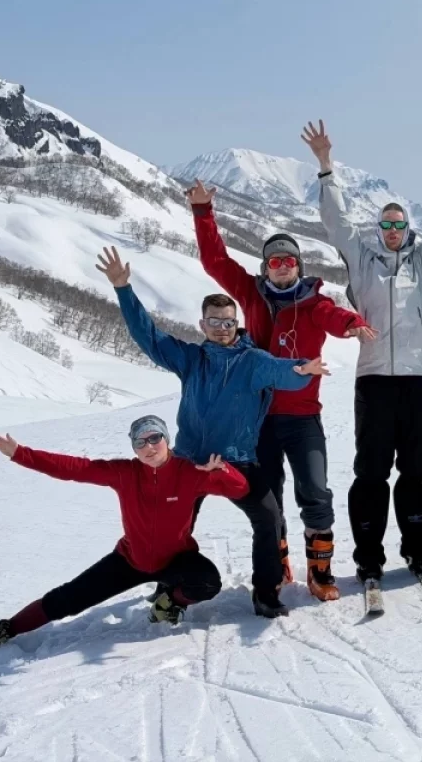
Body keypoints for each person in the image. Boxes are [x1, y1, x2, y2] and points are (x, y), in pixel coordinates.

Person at [96, 247, 327, 618]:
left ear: (238, 324)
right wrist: (124, 289)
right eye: (215, 322)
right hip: (188, 462)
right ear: (203, 325)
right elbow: (150, 338)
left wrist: (302, 370)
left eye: (228, 321)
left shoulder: (251, 361)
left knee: (268, 519)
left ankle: (266, 593)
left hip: (238, 462)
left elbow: (280, 371)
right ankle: (169, 587)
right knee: (173, 525)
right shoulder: (191, 358)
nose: (222, 328)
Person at [186, 180, 373, 603]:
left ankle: (321, 572)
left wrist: (351, 324)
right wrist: (203, 213)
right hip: (260, 420)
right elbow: (216, 261)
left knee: (316, 491)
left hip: (304, 417)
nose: (282, 266)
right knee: (269, 496)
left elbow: (332, 315)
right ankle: (280, 560)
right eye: (274, 261)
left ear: (299, 266)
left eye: (289, 260)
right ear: (265, 267)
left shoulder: (312, 302)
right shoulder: (251, 295)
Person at [302, 119, 422, 583]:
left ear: (406, 228)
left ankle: (418, 550)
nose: (393, 230)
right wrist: (325, 166)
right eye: (386, 224)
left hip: (417, 380)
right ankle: (368, 557)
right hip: (373, 380)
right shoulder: (362, 257)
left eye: (398, 224)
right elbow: (334, 221)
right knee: (371, 472)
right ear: (378, 229)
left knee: (416, 470)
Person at [0, 418, 247, 658]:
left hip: (176, 560)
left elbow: (240, 489)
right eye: (140, 442)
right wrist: (19, 453)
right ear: (134, 448)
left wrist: (224, 471)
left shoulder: (190, 472)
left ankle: (169, 601)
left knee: (208, 581)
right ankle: (2, 632)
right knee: (67, 598)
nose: (149, 446)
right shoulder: (125, 472)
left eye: (155, 438)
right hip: (131, 560)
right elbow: (75, 469)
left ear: (167, 440)